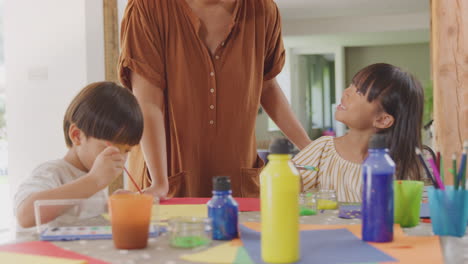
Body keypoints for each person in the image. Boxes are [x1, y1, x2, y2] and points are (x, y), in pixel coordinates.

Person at [118, 0, 311, 198]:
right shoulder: (147, 8)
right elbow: (148, 103)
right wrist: (159, 182)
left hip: (237, 175)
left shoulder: (262, 9)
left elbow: (267, 86)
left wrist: (310, 148)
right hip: (167, 174)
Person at [14, 82, 144, 228]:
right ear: (77, 135)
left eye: (126, 151)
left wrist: (110, 206)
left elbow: (83, 220)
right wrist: (94, 180)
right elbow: (25, 216)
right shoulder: (53, 172)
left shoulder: (91, 176)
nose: (120, 158)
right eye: (113, 148)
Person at [293, 63, 424, 203]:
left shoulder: (400, 168)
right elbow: (283, 191)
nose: (346, 92)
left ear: (382, 120)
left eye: (359, 92)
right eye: (351, 85)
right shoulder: (322, 149)